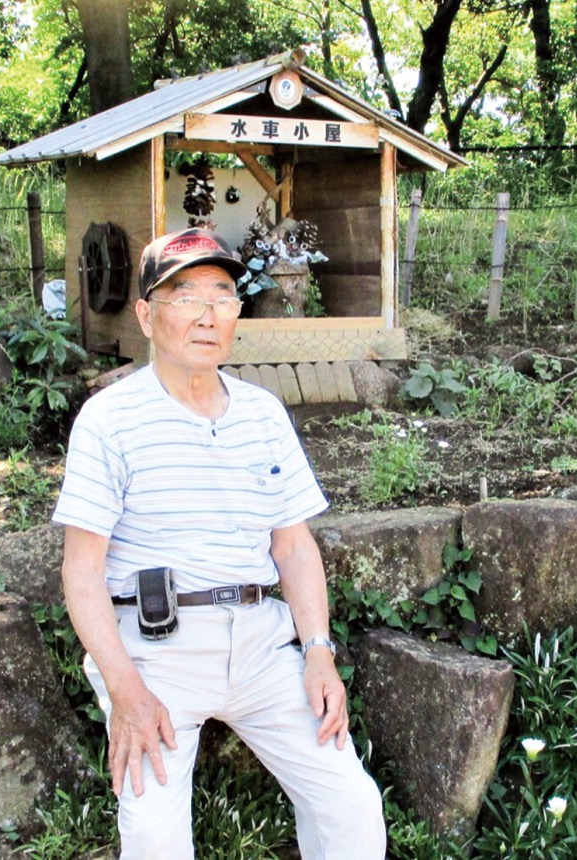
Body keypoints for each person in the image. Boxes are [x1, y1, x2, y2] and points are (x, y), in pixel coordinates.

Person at [52, 227, 386, 859]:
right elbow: (82, 571)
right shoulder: (109, 419)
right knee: (155, 840)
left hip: (262, 645)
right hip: (154, 653)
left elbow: (293, 547)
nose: (207, 315)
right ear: (146, 315)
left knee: (351, 805)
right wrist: (125, 690)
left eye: (223, 296)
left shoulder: (263, 413)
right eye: (185, 297)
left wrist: (318, 651)